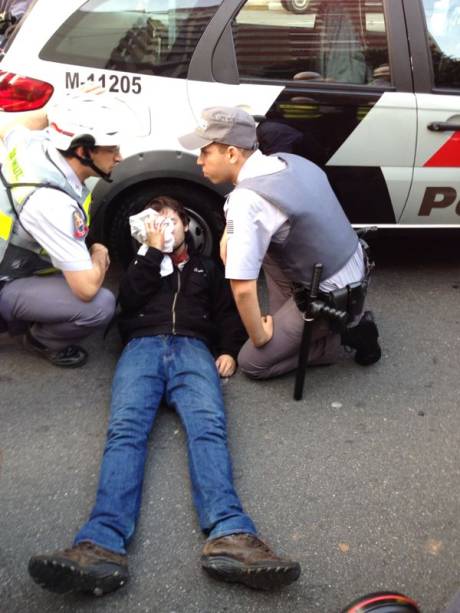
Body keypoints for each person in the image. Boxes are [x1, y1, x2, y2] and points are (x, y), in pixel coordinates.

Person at [27, 196, 301, 596]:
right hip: (141, 349)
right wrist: (152, 253)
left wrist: (227, 348)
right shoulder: (143, 264)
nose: (164, 227)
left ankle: (232, 534)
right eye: (156, 222)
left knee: (208, 430)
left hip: (194, 349)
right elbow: (128, 304)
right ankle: (101, 543)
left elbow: (227, 312)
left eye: (170, 221)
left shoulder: (208, 267)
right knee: (125, 433)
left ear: (186, 227)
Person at [179, 106, 381, 380]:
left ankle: (342, 338)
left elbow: (242, 289)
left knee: (252, 361)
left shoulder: (248, 201)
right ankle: (302, 329)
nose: (199, 161)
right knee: (264, 249)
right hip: (350, 267)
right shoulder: (285, 161)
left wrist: (260, 337)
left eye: (205, 152)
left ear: (231, 153)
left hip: (334, 299)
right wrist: (232, 228)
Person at [0, 92, 131, 367]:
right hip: (6, 279)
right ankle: (40, 339)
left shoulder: (33, 144)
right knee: (100, 304)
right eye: (112, 149)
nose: (119, 157)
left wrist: (59, 111)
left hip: (10, 256)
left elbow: (9, 127)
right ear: (83, 151)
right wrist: (98, 252)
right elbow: (85, 289)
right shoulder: (52, 205)